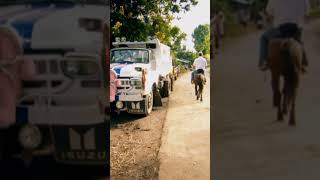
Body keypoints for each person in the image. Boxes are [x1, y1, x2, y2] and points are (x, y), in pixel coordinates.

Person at [258, 0, 310, 71]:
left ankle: (263, 62)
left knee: (263, 38)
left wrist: (266, 19)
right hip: (296, 30)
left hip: (280, 31)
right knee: (298, 41)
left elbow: (269, 18)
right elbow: (306, 16)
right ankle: (304, 62)